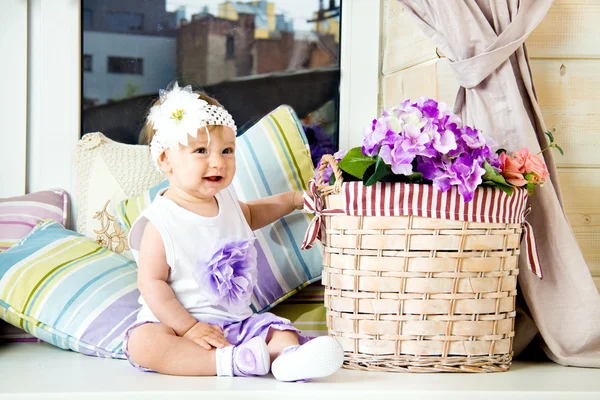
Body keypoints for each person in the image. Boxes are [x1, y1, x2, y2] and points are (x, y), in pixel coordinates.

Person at [123, 82, 344, 381]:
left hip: (236, 324)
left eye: (227, 150)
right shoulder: (160, 221)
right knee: (145, 344)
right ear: (165, 159)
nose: (218, 161)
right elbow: (151, 282)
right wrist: (189, 328)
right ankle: (234, 362)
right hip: (176, 328)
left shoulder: (225, 201)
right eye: (201, 150)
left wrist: (292, 200)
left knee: (277, 330)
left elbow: (252, 213)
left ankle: (287, 360)